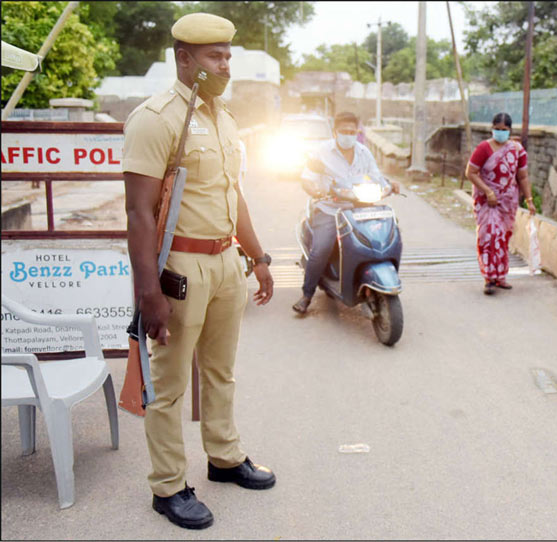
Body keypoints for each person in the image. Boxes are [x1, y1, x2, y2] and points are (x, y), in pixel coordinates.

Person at [123, 13, 276, 530]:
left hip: (226, 262)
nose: (225, 64)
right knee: (168, 385)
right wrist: (148, 292)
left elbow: (233, 193)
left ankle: (224, 457)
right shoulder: (155, 118)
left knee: (220, 371)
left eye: (229, 55)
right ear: (184, 59)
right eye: (215, 56)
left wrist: (258, 258)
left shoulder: (223, 118)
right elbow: (139, 213)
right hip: (181, 268)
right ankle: (168, 486)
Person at [292, 111, 400, 314]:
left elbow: (376, 176)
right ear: (335, 132)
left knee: (381, 238)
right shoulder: (322, 151)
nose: (349, 135)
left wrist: (389, 185)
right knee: (321, 248)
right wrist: (315, 190)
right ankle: (307, 294)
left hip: (359, 207)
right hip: (330, 208)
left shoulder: (363, 152)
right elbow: (307, 178)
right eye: (344, 131)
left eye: (352, 131)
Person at [465, 112, 536, 295]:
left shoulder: (517, 150)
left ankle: (500, 276)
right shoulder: (484, 148)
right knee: (489, 235)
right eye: (497, 129)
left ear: (510, 130)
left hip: (507, 202)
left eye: (504, 130)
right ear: (492, 129)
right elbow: (471, 172)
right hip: (487, 201)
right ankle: (489, 277)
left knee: (503, 238)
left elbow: (523, 176)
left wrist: (529, 200)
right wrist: (488, 191)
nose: (500, 133)